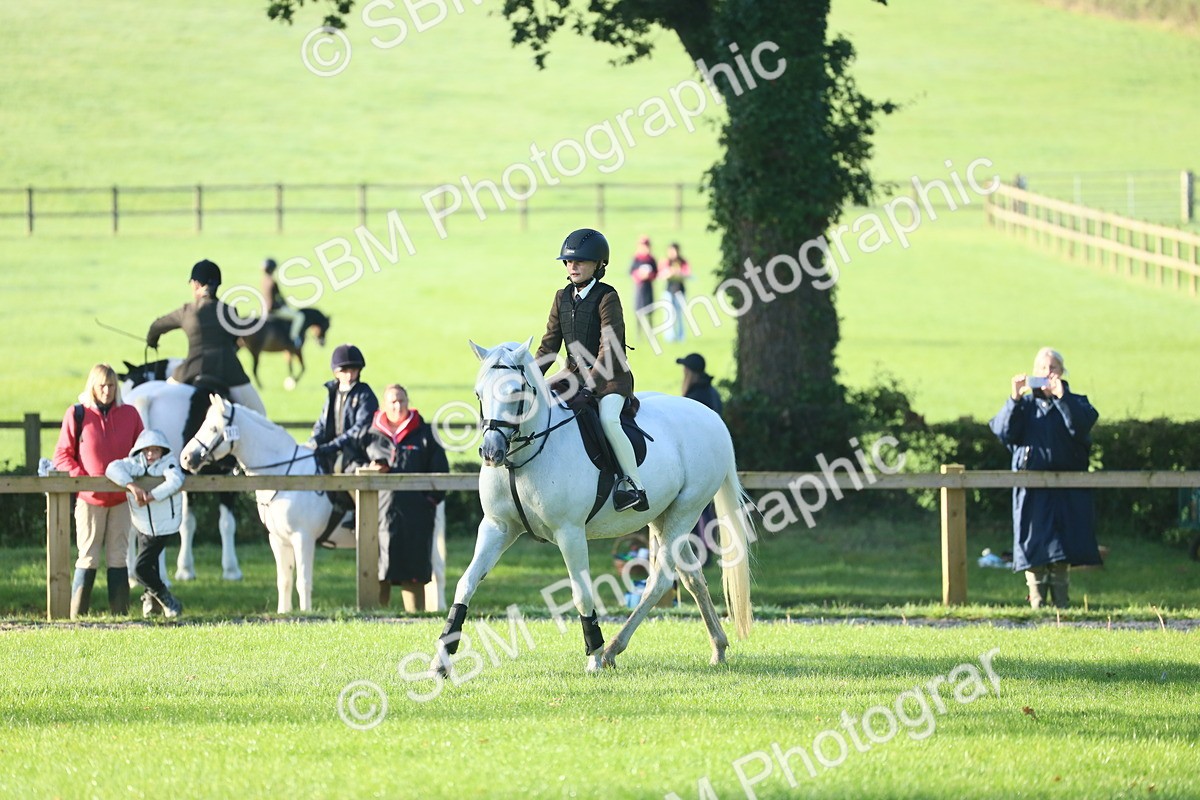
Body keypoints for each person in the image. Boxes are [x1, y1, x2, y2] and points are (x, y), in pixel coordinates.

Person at [536, 227, 647, 512]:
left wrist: (589, 386)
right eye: (569, 262)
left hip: (610, 379)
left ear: (598, 265)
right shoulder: (561, 297)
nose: (573, 266)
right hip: (572, 376)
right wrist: (530, 379)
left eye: (580, 261)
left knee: (609, 420)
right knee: (540, 407)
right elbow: (549, 345)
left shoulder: (607, 297)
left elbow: (609, 348)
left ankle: (633, 484)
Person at [989, 347, 1101, 609]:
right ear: (1033, 372)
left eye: (1053, 368)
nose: (1047, 373)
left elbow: (1081, 425)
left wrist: (1063, 398)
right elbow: (1004, 432)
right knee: (1034, 547)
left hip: (1069, 491)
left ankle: (1062, 606)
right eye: (1042, 368)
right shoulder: (1024, 407)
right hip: (1032, 492)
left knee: (1063, 548)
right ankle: (1037, 606)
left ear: (1062, 373)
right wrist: (1014, 398)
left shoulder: (1078, 402)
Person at [51, 364, 144, 618]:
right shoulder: (77, 414)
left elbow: (142, 451)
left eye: (112, 385)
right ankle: (77, 616)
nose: (107, 390)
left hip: (121, 499)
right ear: (93, 386)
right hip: (89, 500)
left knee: (118, 556)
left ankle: (120, 616)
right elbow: (62, 454)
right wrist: (82, 480)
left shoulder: (130, 414)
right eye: (102, 385)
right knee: (88, 556)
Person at [351, 384, 449, 611]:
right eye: (393, 402)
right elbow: (350, 463)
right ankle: (375, 621)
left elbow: (441, 471)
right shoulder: (370, 434)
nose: (398, 406)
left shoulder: (425, 433)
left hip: (416, 518)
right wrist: (369, 469)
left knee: (413, 571)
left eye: (402, 400)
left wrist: (428, 503)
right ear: (385, 405)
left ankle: (416, 620)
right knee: (377, 570)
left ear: (408, 402)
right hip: (376, 516)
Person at [145, 259, 267, 414]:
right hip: (229, 372)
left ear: (196, 284)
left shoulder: (187, 311)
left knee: (159, 402)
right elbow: (235, 340)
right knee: (260, 414)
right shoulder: (230, 312)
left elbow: (157, 326)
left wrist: (152, 341)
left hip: (191, 371)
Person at [104, 429, 186, 618]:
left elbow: (176, 480)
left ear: (162, 452)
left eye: (155, 450)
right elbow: (111, 468)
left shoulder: (169, 464)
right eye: (147, 450)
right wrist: (131, 486)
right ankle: (151, 604)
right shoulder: (135, 464)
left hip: (164, 524)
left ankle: (169, 601)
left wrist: (151, 496)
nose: (150, 455)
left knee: (140, 569)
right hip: (143, 523)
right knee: (151, 566)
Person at [677, 353, 722, 563]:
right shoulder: (711, 392)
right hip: (713, 457)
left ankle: (701, 553)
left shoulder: (694, 398)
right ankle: (708, 549)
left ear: (691, 373)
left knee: (695, 510)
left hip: (698, 459)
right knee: (706, 509)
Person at [309, 343, 379, 477]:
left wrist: (333, 445)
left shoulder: (365, 394)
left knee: (343, 468)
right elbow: (322, 423)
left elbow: (360, 427)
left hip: (356, 449)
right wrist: (314, 442)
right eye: (344, 371)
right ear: (336, 373)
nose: (349, 375)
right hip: (332, 448)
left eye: (353, 370)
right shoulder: (332, 394)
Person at [261, 257, 305, 349]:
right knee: (299, 316)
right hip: (274, 310)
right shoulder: (273, 282)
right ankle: (294, 338)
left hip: (264, 310)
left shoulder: (263, 281)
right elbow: (279, 298)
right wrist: (285, 306)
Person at [659, 242, 691, 342]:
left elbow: (688, 274)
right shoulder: (666, 262)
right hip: (668, 291)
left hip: (680, 291)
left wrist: (678, 273)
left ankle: (681, 337)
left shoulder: (683, 262)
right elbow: (660, 275)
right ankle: (670, 337)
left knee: (680, 315)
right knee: (669, 315)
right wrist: (669, 273)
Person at [629, 234, 657, 337]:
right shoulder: (636, 259)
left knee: (649, 310)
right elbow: (631, 272)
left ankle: (650, 333)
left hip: (648, 288)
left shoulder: (651, 259)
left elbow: (656, 273)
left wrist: (649, 276)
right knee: (638, 311)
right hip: (639, 288)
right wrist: (639, 276)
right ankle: (639, 334)